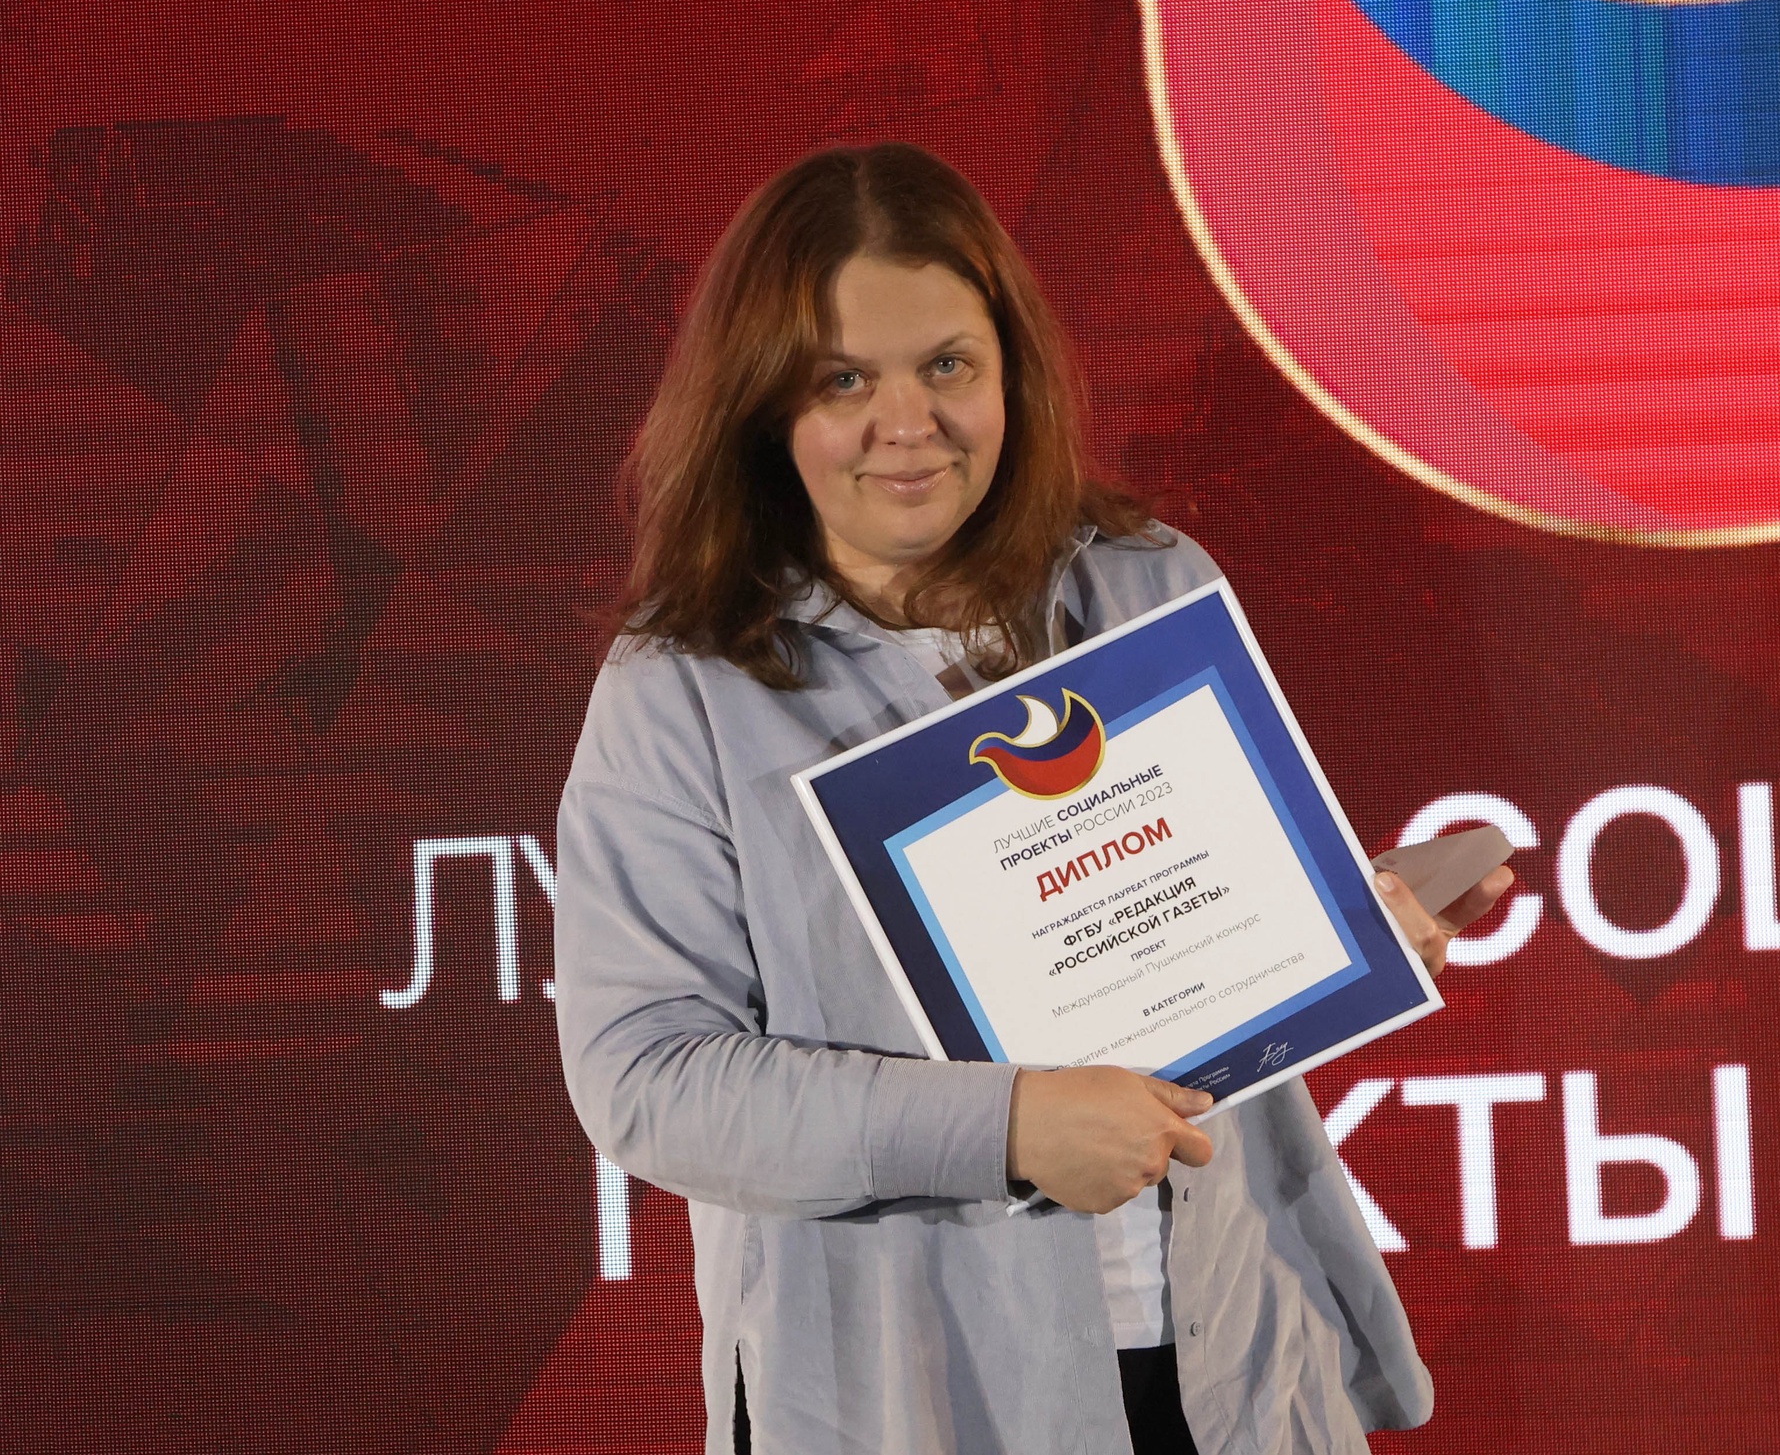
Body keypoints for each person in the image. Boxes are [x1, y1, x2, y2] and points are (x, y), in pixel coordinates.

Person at [552, 143, 1512, 1455]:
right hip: (910, 1400)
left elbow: (1192, 958)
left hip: (1224, 1365)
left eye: (949, 364)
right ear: (764, 404)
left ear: (1011, 368)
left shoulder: (1147, 582)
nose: (909, 423)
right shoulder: (683, 687)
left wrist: (1340, 934)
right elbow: (649, 1079)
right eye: (845, 379)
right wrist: (1006, 1129)